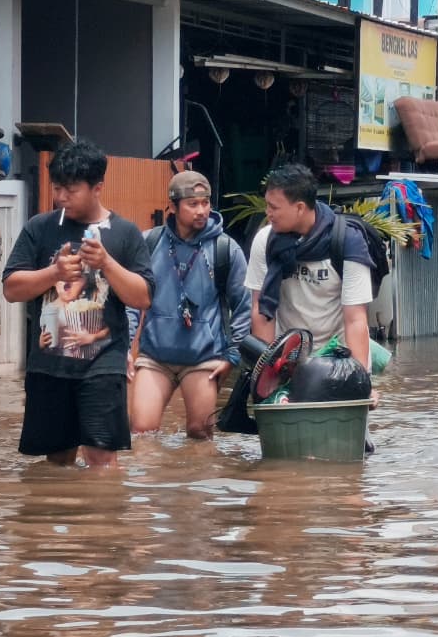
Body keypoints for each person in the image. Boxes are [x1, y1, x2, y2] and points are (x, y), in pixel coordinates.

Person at [2, 140, 154, 468]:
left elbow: (143, 297)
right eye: (57, 188)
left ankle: (100, 507)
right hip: (48, 366)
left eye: (71, 190)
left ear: (97, 187)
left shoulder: (125, 233)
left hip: (104, 364)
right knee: (56, 461)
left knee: (102, 457)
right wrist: (53, 272)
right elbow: (11, 289)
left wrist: (107, 264)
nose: (61, 197)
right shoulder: (40, 228)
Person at [127, 171, 251, 439]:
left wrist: (232, 357)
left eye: (205, 203)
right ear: (172, 207)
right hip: (154, 357)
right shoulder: (149, 243)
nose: (201, 211)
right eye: (193, 204)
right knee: (141, 432)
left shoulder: (225, 248)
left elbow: (243, 306)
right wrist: (125, 347)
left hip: (204, 358)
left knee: (200, 433)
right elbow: (132, 302)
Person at [244, 163, 377, 397]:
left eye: (274, 207)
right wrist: (265, 381)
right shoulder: (265, 241)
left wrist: (362, 384)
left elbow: (356, 319)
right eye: (267, 205)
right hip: (287, 359)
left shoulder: (348, 242)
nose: (268, 213)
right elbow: (261, 310)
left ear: (299, 208)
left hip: (337, 359)